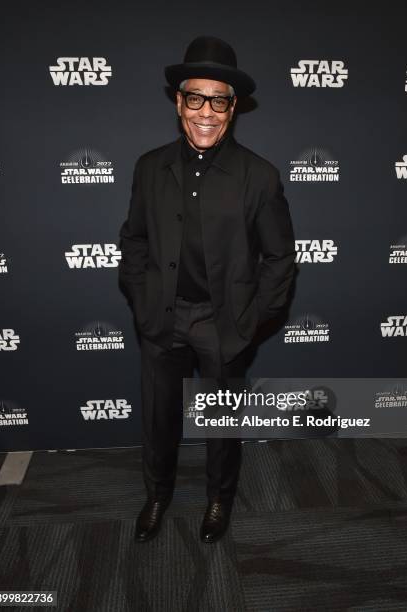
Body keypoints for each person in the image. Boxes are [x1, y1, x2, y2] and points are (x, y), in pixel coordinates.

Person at [118, 35, 296, 543]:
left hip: (224, 325)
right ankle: (157, 494)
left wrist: (248, 319)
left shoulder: (259, 177)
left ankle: (219, 501)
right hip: (163, 318)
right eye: (195, 98)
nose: (206, 112)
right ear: (179, 102)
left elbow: (281, 258)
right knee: (159, 419)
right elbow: (132, 240)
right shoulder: (150, 168)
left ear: (233, 107)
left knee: (222, 424)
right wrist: (144, 297)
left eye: (219, 101)